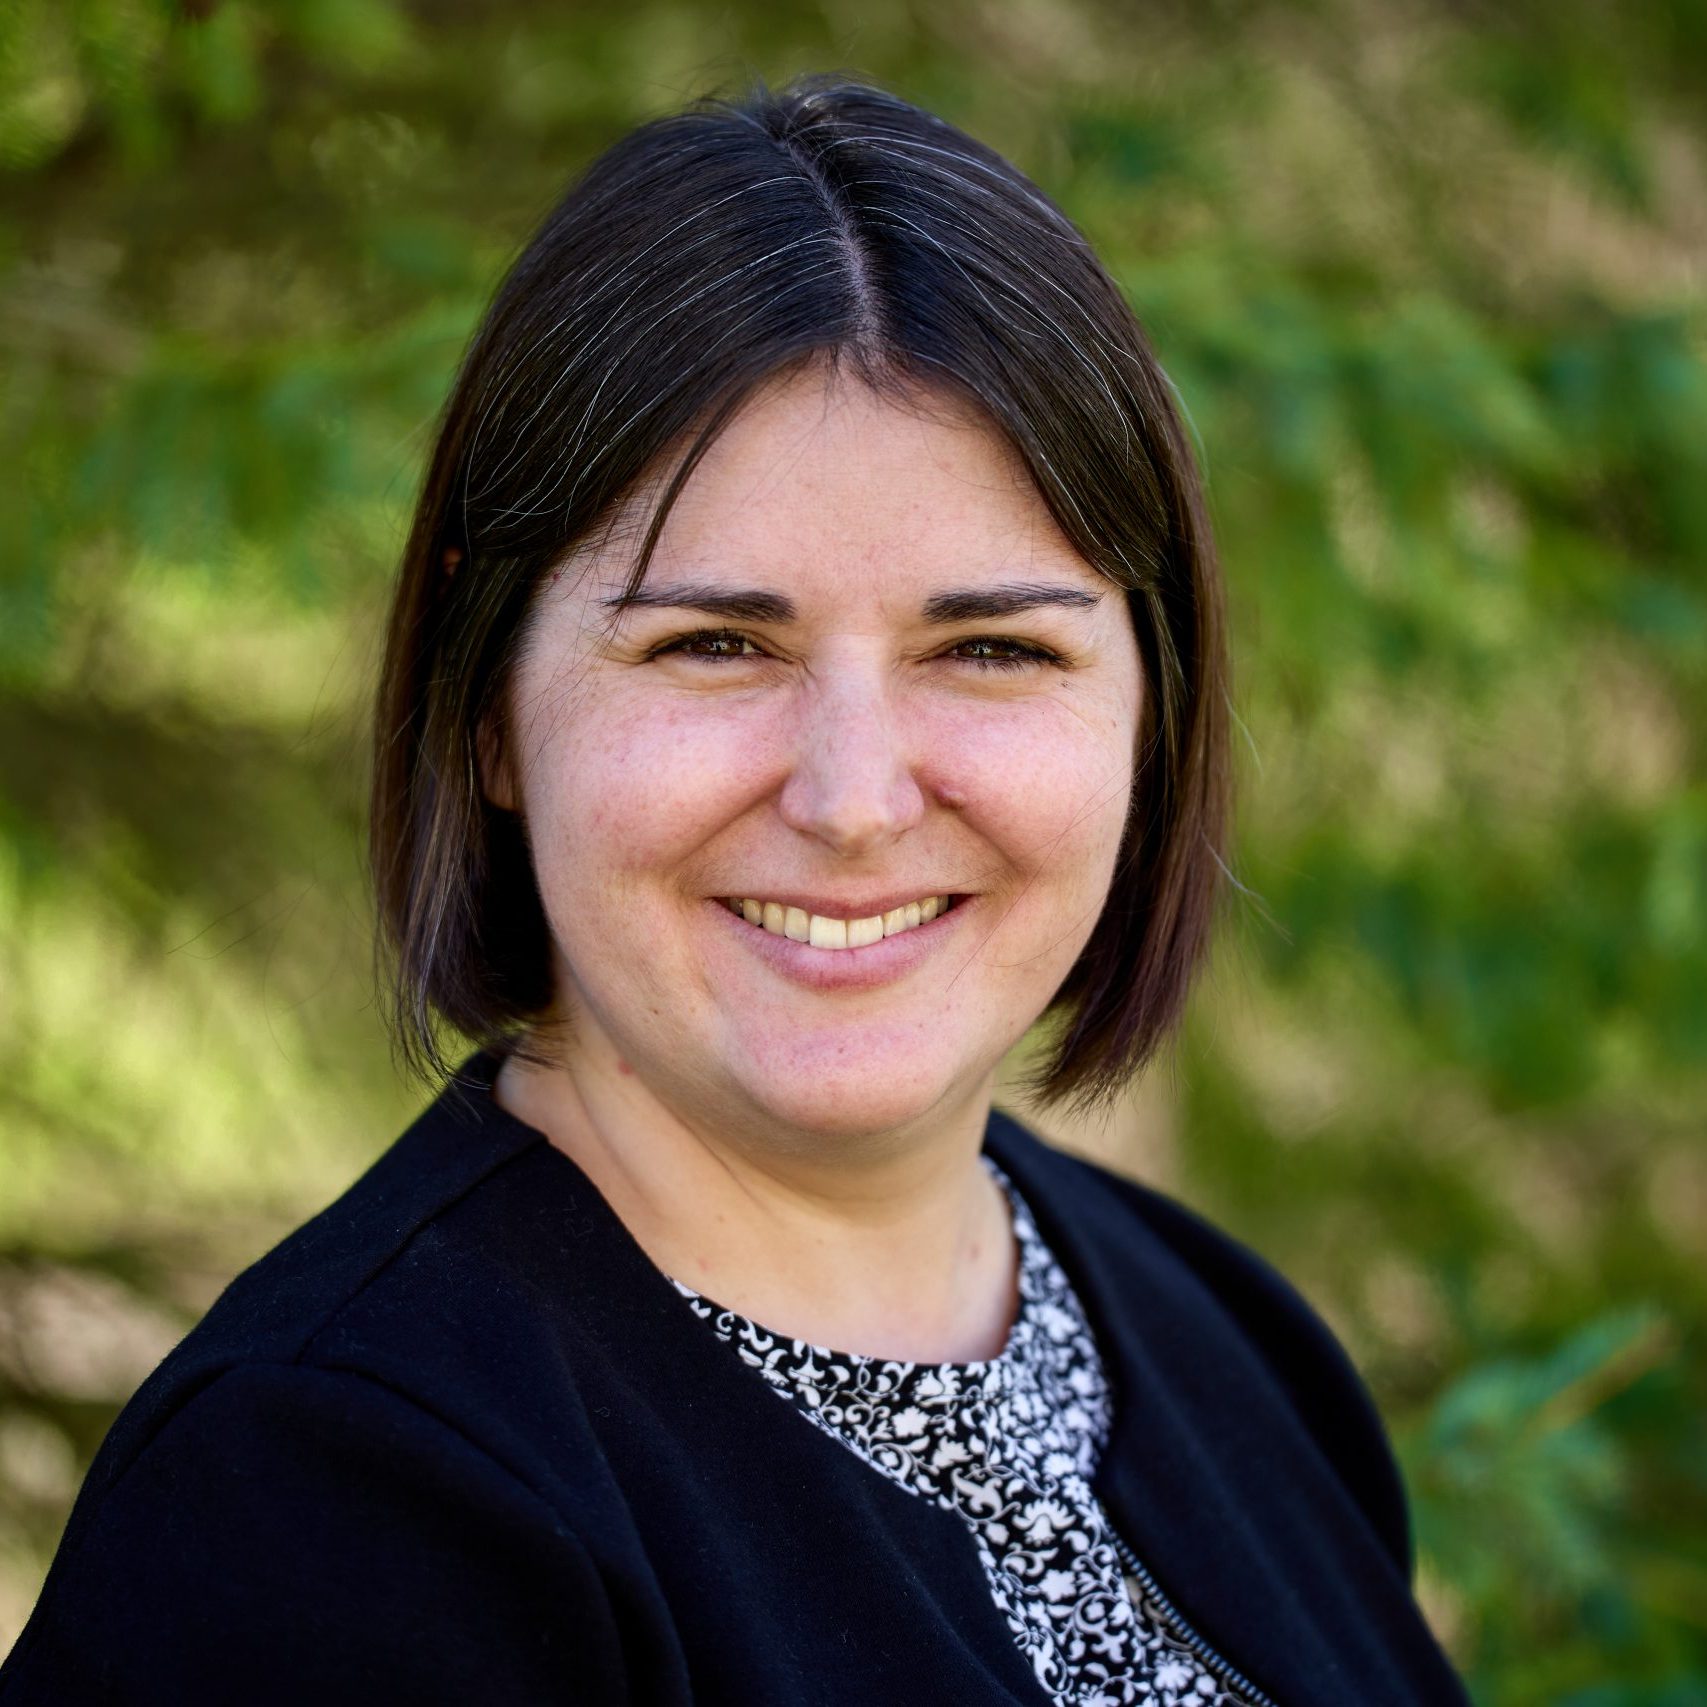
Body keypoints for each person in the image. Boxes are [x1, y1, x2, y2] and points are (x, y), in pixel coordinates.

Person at [0, 74, 1471, 1706]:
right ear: (491, 707)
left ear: (1150, 704)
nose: (853, 800)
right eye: (716, 645)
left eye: (991, 648)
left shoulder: (1225, 1345)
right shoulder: (325, 1509)